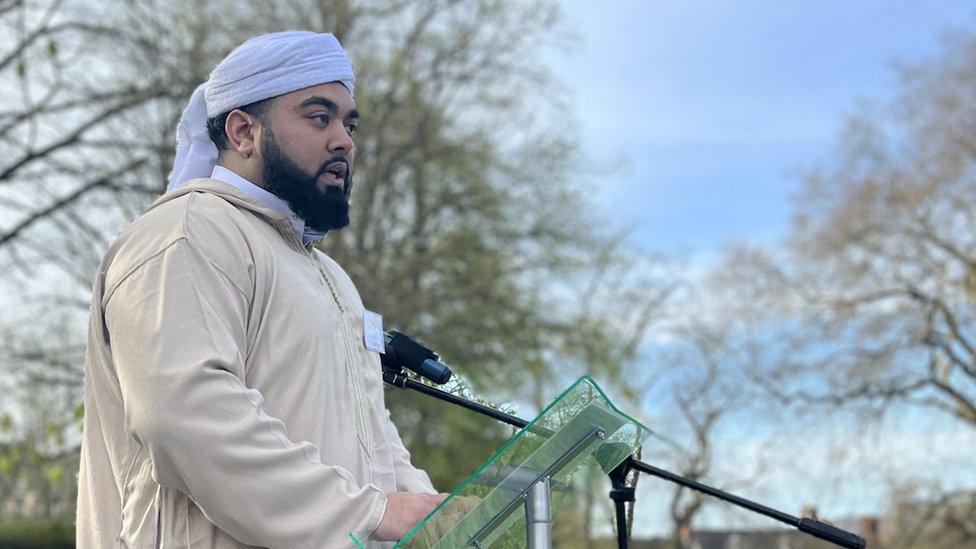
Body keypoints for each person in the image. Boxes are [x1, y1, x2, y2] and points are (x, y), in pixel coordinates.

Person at [76, 31, 444, 548]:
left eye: (348, 122)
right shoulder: (187, 233)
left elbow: (373, 436)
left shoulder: (328, 275)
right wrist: (371, 513)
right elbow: (187, 418)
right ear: (243, 131)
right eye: (319, 117)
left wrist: (433, 517)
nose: (344, 140)